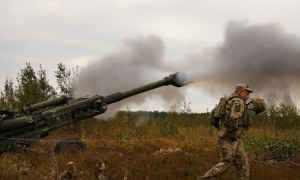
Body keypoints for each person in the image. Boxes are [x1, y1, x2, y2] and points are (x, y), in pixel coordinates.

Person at [199, 84, 253, 180]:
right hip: (230, 137)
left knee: (243, 164)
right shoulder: (238, 101)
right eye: (247, 94)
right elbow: (234, 117)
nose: (248, 97)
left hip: (234, 137)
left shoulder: (228, 100)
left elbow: (215, 118)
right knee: (226, 163)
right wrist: (231, 132)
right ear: (241, 92)